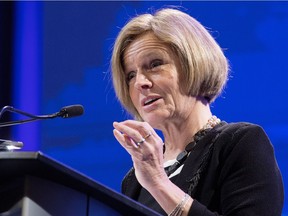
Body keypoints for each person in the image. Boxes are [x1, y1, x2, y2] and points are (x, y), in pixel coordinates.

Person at [111, 8, 284, 216]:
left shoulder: (241, 144)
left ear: (194, 63)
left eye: (155, 64)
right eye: (130, 75)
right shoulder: (134, 181)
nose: (140, 82)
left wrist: (158, 183)